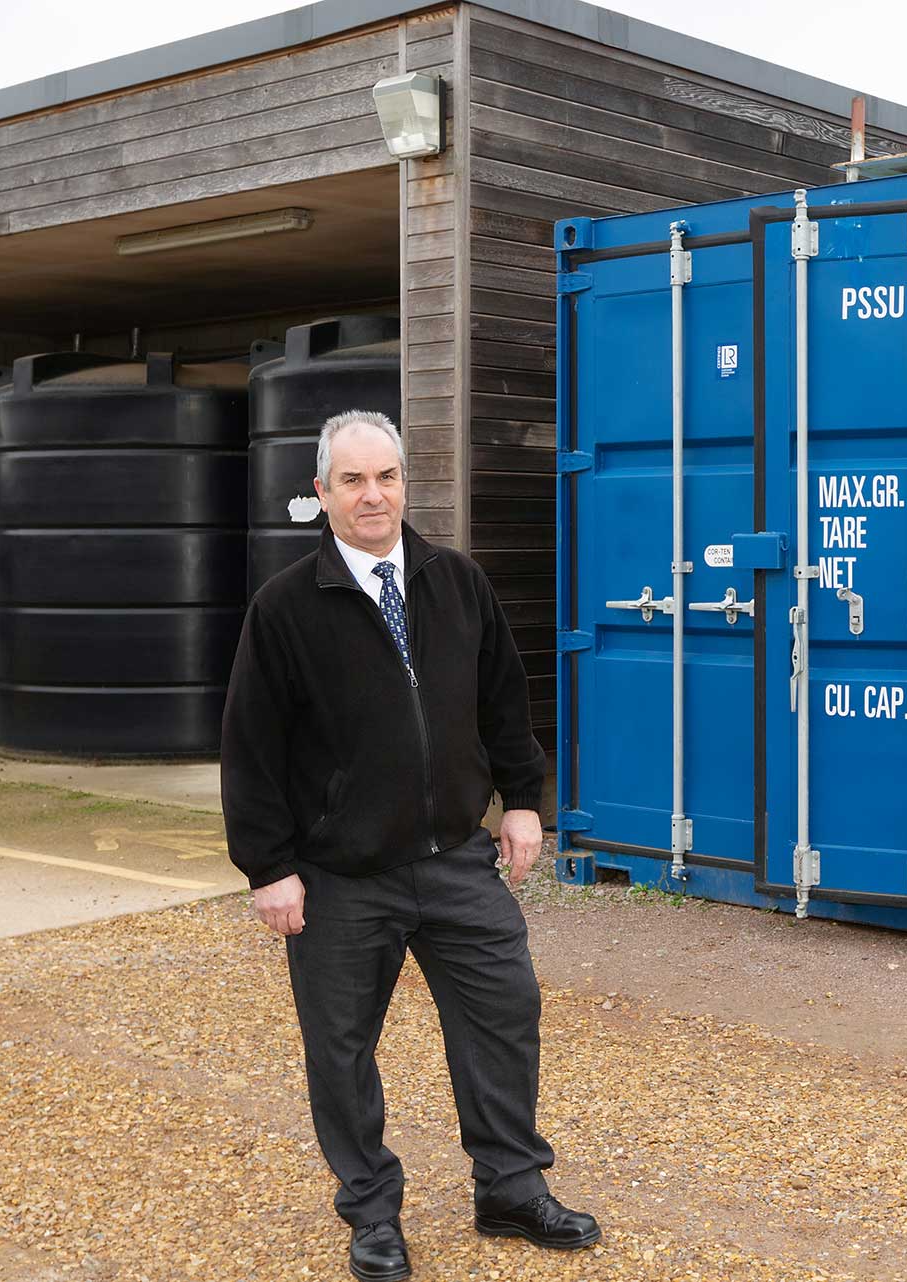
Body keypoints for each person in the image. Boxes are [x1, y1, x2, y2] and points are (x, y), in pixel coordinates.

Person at [220, 410, 598, 1282]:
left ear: (404, 483)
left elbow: (505, 698)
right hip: (341, 875)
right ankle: (372, 1213)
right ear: (320, 494)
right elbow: (251, 747)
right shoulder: (284, 610)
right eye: (351, 480)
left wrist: (522, 803)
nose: (372, 495)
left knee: (505, 1015)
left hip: (456, 861)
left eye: (385, 476)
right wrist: (269, 866)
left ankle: (509, 1186)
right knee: (342, 1048)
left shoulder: (455, 582)